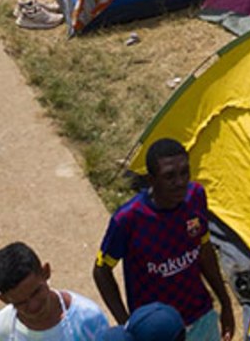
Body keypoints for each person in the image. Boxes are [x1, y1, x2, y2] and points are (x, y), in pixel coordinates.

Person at [94, 139, 236, 341]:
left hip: (200, 317)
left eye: (184, 172)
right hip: (159, 333)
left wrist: (226, 303)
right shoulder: (128, 219)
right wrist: (128, 325)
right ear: (151, 179)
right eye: (169, 176)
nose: (180, 182)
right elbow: (101, 271)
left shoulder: (196, 196)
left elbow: (204, 250)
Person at [0, 241, 111, 341]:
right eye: (21, 302)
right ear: (4, 299)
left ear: (46, 272)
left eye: (36, 292)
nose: (34, 306)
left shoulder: (89, 319)